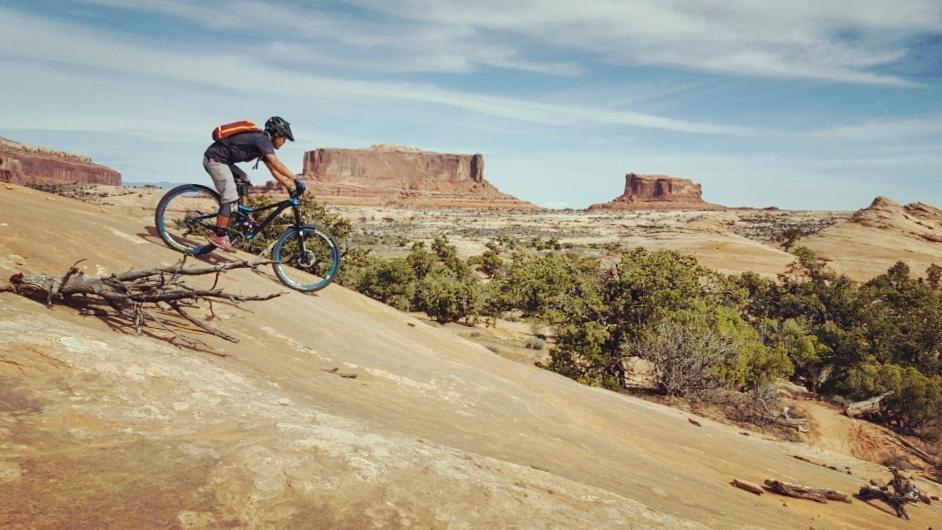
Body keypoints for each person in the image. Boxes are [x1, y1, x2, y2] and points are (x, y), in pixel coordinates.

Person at [202, 116, 298, 252]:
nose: (284, 142)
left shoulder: (263, 143)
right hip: (215, 159)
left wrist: (290, 186)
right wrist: (295, 179)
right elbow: (276, 163)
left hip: (224, 161)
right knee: (229, 196)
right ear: (277, 134)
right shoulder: (262, 139)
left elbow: (273, 170)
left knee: (244, 180)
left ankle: (243, 217)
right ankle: (218, 235)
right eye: (284, 138)